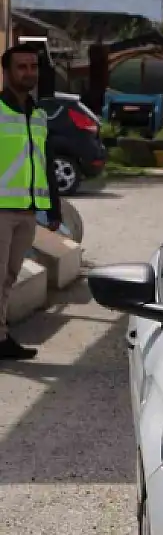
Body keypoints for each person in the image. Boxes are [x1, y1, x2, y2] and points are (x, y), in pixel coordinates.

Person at [0, 44, 63, 361]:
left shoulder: (39, 116)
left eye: (33, 67)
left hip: (26, 211)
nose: (29, 73)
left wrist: (53, 208)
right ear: (7, 72)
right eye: (21, 67)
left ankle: (0, 338)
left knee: (10, 276)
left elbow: (46, 164)